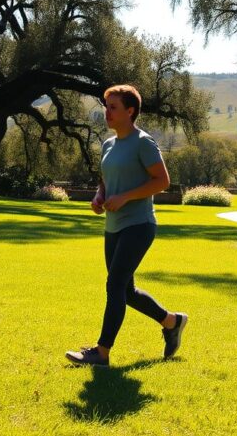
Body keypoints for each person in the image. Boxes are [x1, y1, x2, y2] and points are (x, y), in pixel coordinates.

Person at [65, 84, 187, 367]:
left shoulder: (143, 142)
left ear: (130, 111)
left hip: (139, 225)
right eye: (106, 106)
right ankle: (172, 322)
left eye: (113, 107)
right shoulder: (109, 144)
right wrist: (100, 196)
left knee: (115, 284)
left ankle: (101, 352)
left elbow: (162, 181)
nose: (107, 112)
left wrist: (126, 197)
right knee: (126, 291)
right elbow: (106, 180)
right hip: (113, 226)